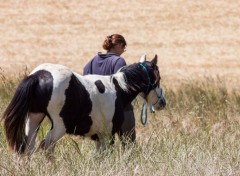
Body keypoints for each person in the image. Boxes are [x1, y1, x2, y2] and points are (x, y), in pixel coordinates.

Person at [83, 34, 136, 143]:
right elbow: (122, 87)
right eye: (124, 48)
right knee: (129, 145)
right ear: (120, 45)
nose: (123, 51)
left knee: (105, 148)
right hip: (120, 110)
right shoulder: (118, 61)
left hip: (98, 114)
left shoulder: (92, 61)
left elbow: (85, 81)